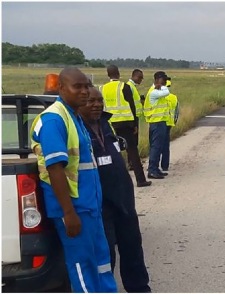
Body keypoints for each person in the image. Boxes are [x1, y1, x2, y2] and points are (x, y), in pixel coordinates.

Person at [30, 67, 117, 293]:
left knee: (101, 262)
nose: (84, 91)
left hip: (90, 207)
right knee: (82, 265)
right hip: (74, 208)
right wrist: (69, 213)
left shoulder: (75, 117)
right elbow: (55, 168)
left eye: (86, 85)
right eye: (77, 86)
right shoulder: (54, 120)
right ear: (61, 88)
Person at [79, 86, 152, 293]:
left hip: (123, 201)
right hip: (100, 205)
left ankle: (139, 288)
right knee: (106, 255)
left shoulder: (105, 123)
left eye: (100, 100)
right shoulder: (77, 130)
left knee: (133, 249)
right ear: (79, 104)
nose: (97, 105)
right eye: (91, 101)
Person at [100, 65, 151, 187]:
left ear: (108, 75)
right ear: (118, 73)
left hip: (109, 123)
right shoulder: (124, 86)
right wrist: (134, 124)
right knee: (132, 151)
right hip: (125, 123)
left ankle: (113, 182)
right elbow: (132, 106)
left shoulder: (102, 88)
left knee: (110, 151)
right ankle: (140, 180)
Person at [143, 71, 170, 179]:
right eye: (164, 80)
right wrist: (161, 86)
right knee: (156, 147)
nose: (165, 82)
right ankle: (152, 169)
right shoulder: (154, 92)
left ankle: (155, 168)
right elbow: (166, 92)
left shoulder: (157, 90)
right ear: (158, 79)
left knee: (159, 147)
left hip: (160, 122)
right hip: (157, 122)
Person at [160, 76, 180, 174]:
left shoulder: (159, 95)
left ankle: (154, 164)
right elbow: (177, 111)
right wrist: (174, 121)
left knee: (155, 145)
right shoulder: (174, 97)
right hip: (169, 123)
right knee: (165, 145)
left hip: (160, 121)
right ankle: (165, 165)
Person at [126, 69, 145, 170]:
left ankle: (132, 162)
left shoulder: (133, 87)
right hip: (132, 118)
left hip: (135, 117)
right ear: (135, 76)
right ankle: (131, 163)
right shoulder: (129, 86)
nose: (141, 80)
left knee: (134, 142)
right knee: (132, 142)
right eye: (140, 78)